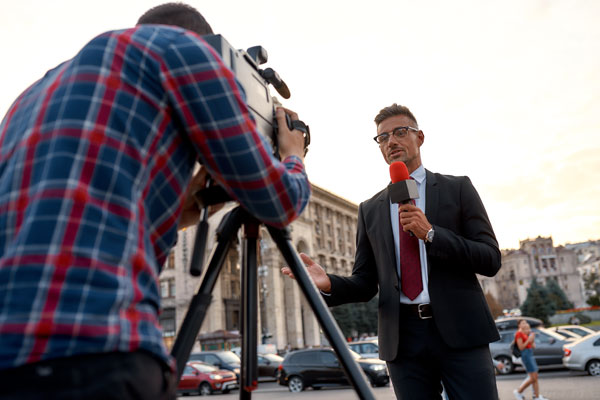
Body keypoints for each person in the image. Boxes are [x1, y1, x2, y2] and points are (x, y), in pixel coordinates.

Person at [0, 3, 310, 400]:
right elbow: (280, 201)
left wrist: (207, 193)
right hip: (98, 351)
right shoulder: (184, 50)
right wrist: (292, 155)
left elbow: (136, 228)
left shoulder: (36, 92)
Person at [282, 103, 501, 399]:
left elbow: (490, 259)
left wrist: (432, 234)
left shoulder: (457, 189)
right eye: (383, 138)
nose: (391, 142)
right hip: (403, 340)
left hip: (461, 332)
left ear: (419, 137)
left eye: (400, 132)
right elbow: (364, 283)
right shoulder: (370, 209)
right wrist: (330, 283)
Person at [513, 320, 550, 400]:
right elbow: (521, 347)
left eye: (526, 322)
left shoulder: (526, 333)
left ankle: (536, 396)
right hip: (525, 355)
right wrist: (528, 340)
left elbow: (533, 346)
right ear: (519, 325)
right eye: (523, 323)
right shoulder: (518, 334)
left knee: (535, 377)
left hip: (530, 354)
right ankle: (519, 391)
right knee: (532, 378)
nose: (525, 324)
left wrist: (532, 339)